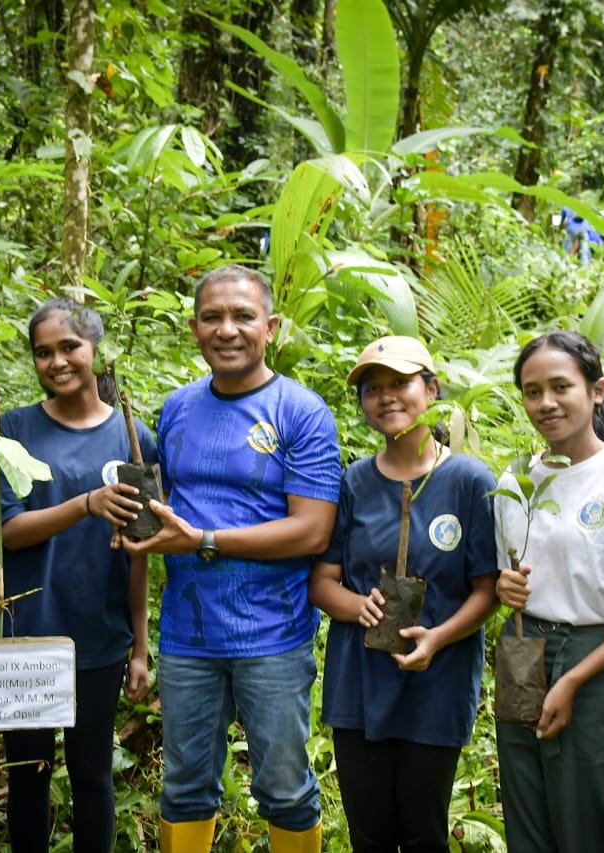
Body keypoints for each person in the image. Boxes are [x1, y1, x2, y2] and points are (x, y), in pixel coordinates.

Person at [122, 264, 341, 853]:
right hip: (189, 635)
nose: (227, 329)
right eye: (212, 317)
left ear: (270, 327)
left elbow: (313, 530)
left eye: (243, 316)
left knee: (285, 787)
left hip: (273, 633)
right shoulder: (178, 408)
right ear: (194, 328)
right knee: (186, 786)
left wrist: (202, 540)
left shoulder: (303, 411)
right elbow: (163, 507)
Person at [309, 335, 498, 852]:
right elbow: (322, 583)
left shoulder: (469, 480)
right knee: (369, 835)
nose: (387, 397)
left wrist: (437, 636)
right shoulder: (353, 482)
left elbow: (487, 591)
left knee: (423, 833)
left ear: (431, 389)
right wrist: (356, 605)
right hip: (359, 688)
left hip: (437, 686)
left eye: (400, 383)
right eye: (373, 388)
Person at [0, 298, 154, 852]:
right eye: (43, 352)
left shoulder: (132, 435)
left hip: (97, 634)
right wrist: (85, 503)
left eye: (69, 347)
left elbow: (141, 549)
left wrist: (140, 645)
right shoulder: (13, 428)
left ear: (95, 351)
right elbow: (8, 531)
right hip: (28, 628)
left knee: (92, 776)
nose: (57, 361)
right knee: (28, 775)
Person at [493, 331, 604, 853]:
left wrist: (573, 680)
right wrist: (506, 587)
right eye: (532, 391)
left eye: (561, 386)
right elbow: (513, 578)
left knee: (589, 821)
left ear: (597, 390)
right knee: (527, 816)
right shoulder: (515, 479)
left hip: (597, 657)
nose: (545, 403)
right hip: (523, 648)